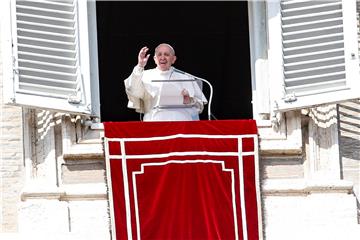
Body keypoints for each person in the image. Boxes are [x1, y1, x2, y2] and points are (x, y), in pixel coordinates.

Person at [124, 43, 207, 121]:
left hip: (181, 123)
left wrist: (189, 100)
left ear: (173, 59)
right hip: (154, 122)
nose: (162, 57)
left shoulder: (186, 77)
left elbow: (199, 107)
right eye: (159, 54)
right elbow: (133, 90)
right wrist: (140, 66)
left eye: (166, 54)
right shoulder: (144, 75)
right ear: (155, 59)